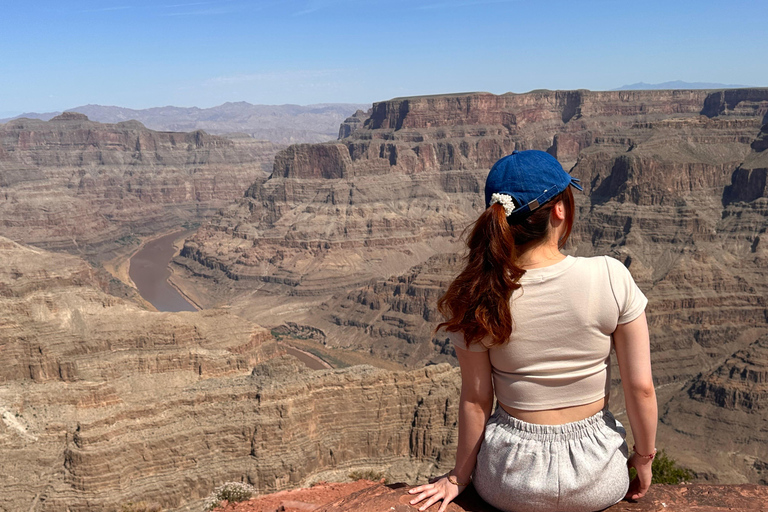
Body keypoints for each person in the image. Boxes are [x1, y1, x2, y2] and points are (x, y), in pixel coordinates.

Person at [408, 150, 657, 512]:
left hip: (510, 481)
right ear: (559, 209)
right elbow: (641, 389)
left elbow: (477, 401)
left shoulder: (480, 294)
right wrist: (645, 457)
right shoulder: (610, 275)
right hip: (598, 477)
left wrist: (458, 478)